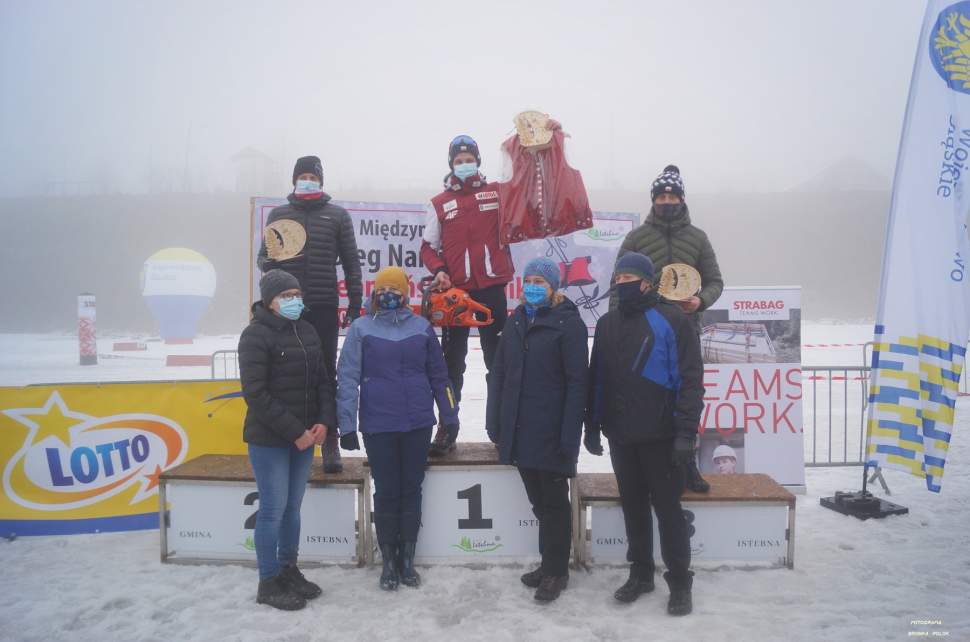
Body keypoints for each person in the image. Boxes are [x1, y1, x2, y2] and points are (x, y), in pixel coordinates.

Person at [585, 253, 703, 616]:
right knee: (634, 509)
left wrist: (685, 434)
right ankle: (640, 574)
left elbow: (690, 382)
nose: (621, 282)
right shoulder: (605, 324)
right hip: (621, 436)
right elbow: (598, 380)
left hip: (662, 437)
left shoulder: (672, 320)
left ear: (647, 282)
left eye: (629, 277)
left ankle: (680, 581)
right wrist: (592, 425)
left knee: (668, 511)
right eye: (617, 277)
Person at [336, 266, 458, 591]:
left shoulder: (422, 328)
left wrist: (450, 414)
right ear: (375, 294)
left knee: (411, 490)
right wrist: (346, 424)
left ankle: (407, 558)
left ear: (406, 294)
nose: (388, 295)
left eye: (395, 290)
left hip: (417, 424)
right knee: (387, 492)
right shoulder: (360, 329)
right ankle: (388, 558)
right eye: (382, 290)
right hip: (378, 425)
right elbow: (347, 377)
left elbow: (440, 376)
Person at [613, 164, 723, 494]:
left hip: (686, 328)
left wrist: (700, 301)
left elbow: (716, 281)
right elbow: (617, 283)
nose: (667, 200)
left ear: (682, 198)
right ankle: (643, 467)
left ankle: (688, 464)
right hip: (646, 330)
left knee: (687, 393)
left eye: (672, 195)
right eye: (661, 195)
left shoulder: (698, 238)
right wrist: (617, 326)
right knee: (648, 395)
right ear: (653, 199)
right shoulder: (637, 237)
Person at [486, 257, 588, 602]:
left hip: (552, 431)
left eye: (540, 282)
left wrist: (569, 436)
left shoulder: (568, 323)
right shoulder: (516, 319)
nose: (532, 286)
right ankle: (549, 564)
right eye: (528, 280)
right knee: (539, 504)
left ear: (553, 287)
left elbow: (578, 384)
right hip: (519, 428)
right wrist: (495, 419)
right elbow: (499, 372)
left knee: (555, 504)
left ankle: (557, 572)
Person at [257, 155, 363, 474]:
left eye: (312, 176)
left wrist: (355, 304)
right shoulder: (279, 214)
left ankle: (329, 438)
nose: (307, 181)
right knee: (286, 373)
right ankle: (291, 435)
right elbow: (264, 259)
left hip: (323, 305)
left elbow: (351, 263)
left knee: (325, 373)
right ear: (294, 180)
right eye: (302, 176)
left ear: (321, 181)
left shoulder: (337, 216)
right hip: (286, 308)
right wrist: (271, 263)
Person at [238, 269, 335, 611]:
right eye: (286, 296)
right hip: (270, 440)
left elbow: (323, 380)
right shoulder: (254, 336)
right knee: (273, 510)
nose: (294, 300)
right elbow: (255, 393)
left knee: (293, 508)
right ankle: (268, 581)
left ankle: (288, 568)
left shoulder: (306, 330)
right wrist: (295, 432)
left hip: (307, 438)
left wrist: (323, 422)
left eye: (297, 294)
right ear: (270, 301)